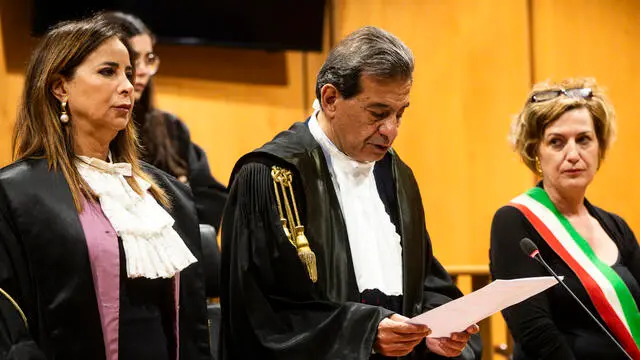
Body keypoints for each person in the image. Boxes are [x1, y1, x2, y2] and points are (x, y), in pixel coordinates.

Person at [219, 26, 482, 360]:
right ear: (330, 99)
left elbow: (423, 279)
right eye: (378, 113)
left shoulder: (395, 175)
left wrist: (440, 329)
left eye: (400, 114)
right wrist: (365, 333)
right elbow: (255, 315)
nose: (391, 130)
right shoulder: (271, 176)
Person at [0, 15, 211, 359]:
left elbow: (193, 331)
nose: (128, 85)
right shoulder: (16, 194)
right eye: (107, 71)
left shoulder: (167, 196)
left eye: (128, 72)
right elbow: (10, 330)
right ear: (60, 87)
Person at [490, 78, 640, 359]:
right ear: (537, 152)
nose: (573, 154)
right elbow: (534, 332)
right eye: (557, 142)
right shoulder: (514, 222)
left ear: (600, 148)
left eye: (583, 139)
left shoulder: (617, 227)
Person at [102, 11, 228, 232]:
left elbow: (209, 199)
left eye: (148, 59)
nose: (141, 71)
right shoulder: (93, 129)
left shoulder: (170, 127)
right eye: (133, 59)